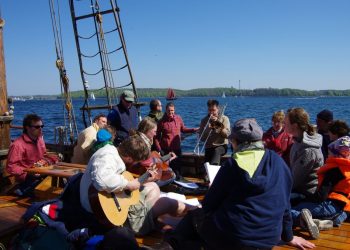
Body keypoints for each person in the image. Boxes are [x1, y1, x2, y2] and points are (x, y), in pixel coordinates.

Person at [165, 118, 315, 250]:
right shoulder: (279, 163)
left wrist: (213, 190)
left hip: (235, 238)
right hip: (267, 240)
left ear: (235, 142)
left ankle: (172, 242)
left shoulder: (233, 165)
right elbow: (285, 206)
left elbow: (209, 205)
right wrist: (289, 237)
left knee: (194, 217)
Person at [80, 135, 192, 238]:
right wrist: (129, 184)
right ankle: (195, 214)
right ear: (129, 158)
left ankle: (148, 218)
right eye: (136, 162)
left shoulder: (112, 152)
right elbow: (101, 180)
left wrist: (141, 181)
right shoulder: (108, 157)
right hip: (106, 214)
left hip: (109, 203)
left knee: (153, 186)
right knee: (169, 203)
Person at [291, 136, 350, 239]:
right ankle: (321, 222)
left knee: (288, 209)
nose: (328, 154)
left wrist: (303, 198)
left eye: (330, 151)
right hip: (341, 210)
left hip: (328, 206)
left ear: (336, 153)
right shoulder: (347, 170)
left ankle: (302, 219)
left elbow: (321, 196)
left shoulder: (334, 170)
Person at [6, 114, 58, 196]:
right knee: (52, 192)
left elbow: (44, 155)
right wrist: (28, 172)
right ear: (27, 128)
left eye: (42, 126)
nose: (40, 129)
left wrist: (53, 159)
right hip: (27, 180)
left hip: (41, 174)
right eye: (37, 127)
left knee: (61, 185)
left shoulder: (40, 140)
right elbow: (11, 167)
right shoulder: (17, 145)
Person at [284, 108, 324, 202]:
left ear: (295, 125)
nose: (283, 126)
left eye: (285, 123)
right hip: (297, 189)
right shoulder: (298, 142)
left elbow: (294, 181)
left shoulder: (308, 150)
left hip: (306, 194)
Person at [198, 99, 230, 165]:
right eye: (210, 110)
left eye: (214, 110)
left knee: (216, 151)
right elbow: (202, 139)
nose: (211, 113)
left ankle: (214, 169)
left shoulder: (224, 119)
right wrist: (207, 129)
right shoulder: (204, 120)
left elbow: (227, 135)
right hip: (209, 147)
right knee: (206, 166)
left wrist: (218, 124)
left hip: (221, 146)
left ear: (218, 109)